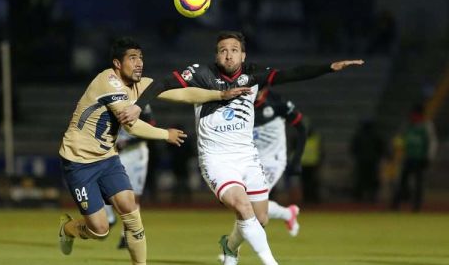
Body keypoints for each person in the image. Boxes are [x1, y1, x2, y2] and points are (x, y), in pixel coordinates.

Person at [118, 31, 363, 265]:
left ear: (243, 55)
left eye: (234, 50)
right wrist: (139, 106)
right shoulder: (202, 74)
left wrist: (329, 67)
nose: (228, 55)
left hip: (247, 158)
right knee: (243, 207)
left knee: (260, 218)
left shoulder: (253, 74)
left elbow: (294, 73)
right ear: (216, 55)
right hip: (216, 159)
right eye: (223, 50)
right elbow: (162, 83)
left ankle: (229, 247)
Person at [57, 36, 251, 264]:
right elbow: (131, 124)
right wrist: (165, 134)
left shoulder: (137, 84)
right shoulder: (107, 82)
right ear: (117, 64)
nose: (139, 63)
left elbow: (182, 92)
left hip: (107, 158)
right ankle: (67, 229)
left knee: (131, 213)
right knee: (100, 231)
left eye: (141, 58)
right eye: (132, 58)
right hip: (79, 161)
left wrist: (219, 95)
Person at [253, 89, 306, 237]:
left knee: (251, 205)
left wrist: (297, 159)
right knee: (244, 202)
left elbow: (301, 128)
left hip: (273, 160)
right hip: (251, 160)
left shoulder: (277, 102)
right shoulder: (241, 100)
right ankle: (288, 214)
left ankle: (231, 253)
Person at [104, 104, 155, 249]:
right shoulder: (108, 96)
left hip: (135, 153)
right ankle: (109, 217)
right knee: (104, 187)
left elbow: (150, 126)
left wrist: (128, 142)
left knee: (133, 197)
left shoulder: (141, 101)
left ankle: (126, 235)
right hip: (113, 152)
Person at [391, 104, 438, 212]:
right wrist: (398, 148)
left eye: (414, 114)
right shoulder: (408, 125)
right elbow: (400, 139)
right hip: (408, 157)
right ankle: (395, 205)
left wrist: (428, 157)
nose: (412, 116)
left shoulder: (427, 126)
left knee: (418, 183)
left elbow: (432, 142)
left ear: (420, 115)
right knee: (402, 181)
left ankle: (416, 206)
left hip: (420, 158)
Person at [350, 119, 385, 203]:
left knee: (361, 178)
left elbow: (353, 148)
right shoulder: (376, 135)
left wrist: (357, 156)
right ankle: (370, 196)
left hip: (362, 161)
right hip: (372, 161)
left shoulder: (359, 135)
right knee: (371, 179)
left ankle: (359, 196)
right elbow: (381, 148)